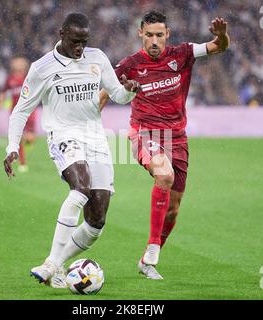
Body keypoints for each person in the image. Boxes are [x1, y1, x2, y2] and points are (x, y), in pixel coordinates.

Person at [3, 13, 139, 288]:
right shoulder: (42, 68)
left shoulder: (97, 58)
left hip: (95, 137)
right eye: (75, 42)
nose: (80, 48)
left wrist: (129, 91)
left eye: (84, 42)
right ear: (62, 33)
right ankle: (52, 262)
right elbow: (21, 110)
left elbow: (118, 95)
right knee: (80, 189)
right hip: (63, 135)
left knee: (96, 221)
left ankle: (60, 264)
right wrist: (12, 146)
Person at [99, 11, 230, 279]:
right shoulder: (129, 65)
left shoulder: (182, 54)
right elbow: (104, 94)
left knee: (173, 208)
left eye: (159, 35)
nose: (155, 40)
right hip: (143, 133)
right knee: (163, 173)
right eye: (149, 35)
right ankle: (153, 245)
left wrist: (221, 36)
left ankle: (146, 262)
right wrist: (87, 127)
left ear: (167, 34)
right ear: (140, 35)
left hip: (177, 137)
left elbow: (218, 47)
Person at [0, 57, 37, 173]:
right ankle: (22, 162)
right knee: (18, 138)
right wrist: (1, 101)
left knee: (30, 138)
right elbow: (4, 91)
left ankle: (28, 142)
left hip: (30, 111)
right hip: (16, 111)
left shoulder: (29, 76)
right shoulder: (10, 79)